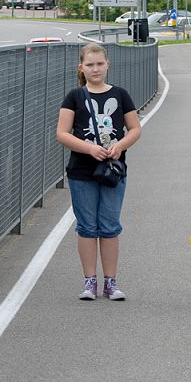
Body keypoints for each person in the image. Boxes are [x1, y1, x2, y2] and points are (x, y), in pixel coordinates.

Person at [56, 42, 141, 301]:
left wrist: (120, 146)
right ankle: (90, 281)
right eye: (90, 64)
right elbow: (62, 133)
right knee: (86, 226)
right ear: (81, 67)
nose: (95, 69)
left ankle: (111, 282)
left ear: (107, 65)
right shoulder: (74, 96)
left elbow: (135, 128)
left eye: (100, 64)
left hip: (112, 171)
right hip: (82, 171)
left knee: (110, 225)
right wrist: (89, 149)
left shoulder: (120, 94)